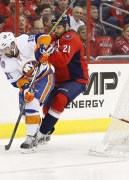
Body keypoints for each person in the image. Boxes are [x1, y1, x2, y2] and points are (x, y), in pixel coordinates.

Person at [0, 32, 55, 153]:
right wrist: (26, 87)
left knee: (31, 103)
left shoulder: (23, 41)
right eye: (1, 50)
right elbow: (17, 80)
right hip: (29, 82)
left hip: (44, 77)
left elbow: (44, 37)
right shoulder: (5, 63)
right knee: (24, 113)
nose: (3, 53)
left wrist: (42, 48)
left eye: (5, 49)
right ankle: (42, 131)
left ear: (12, 44)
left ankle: (31, 139)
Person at [34, 14, 89, 145]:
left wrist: (49, 50)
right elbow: (44, 39)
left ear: (67, 26)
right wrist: (41, 43)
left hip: (77, 79)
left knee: (60, 100)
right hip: (59, 79)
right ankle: (47, 131)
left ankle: (40, 134)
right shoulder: (56, 36)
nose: (56, 30)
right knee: (46, 107)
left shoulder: (72, 38)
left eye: (59, 27)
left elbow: (61, 61)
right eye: (54, 28)